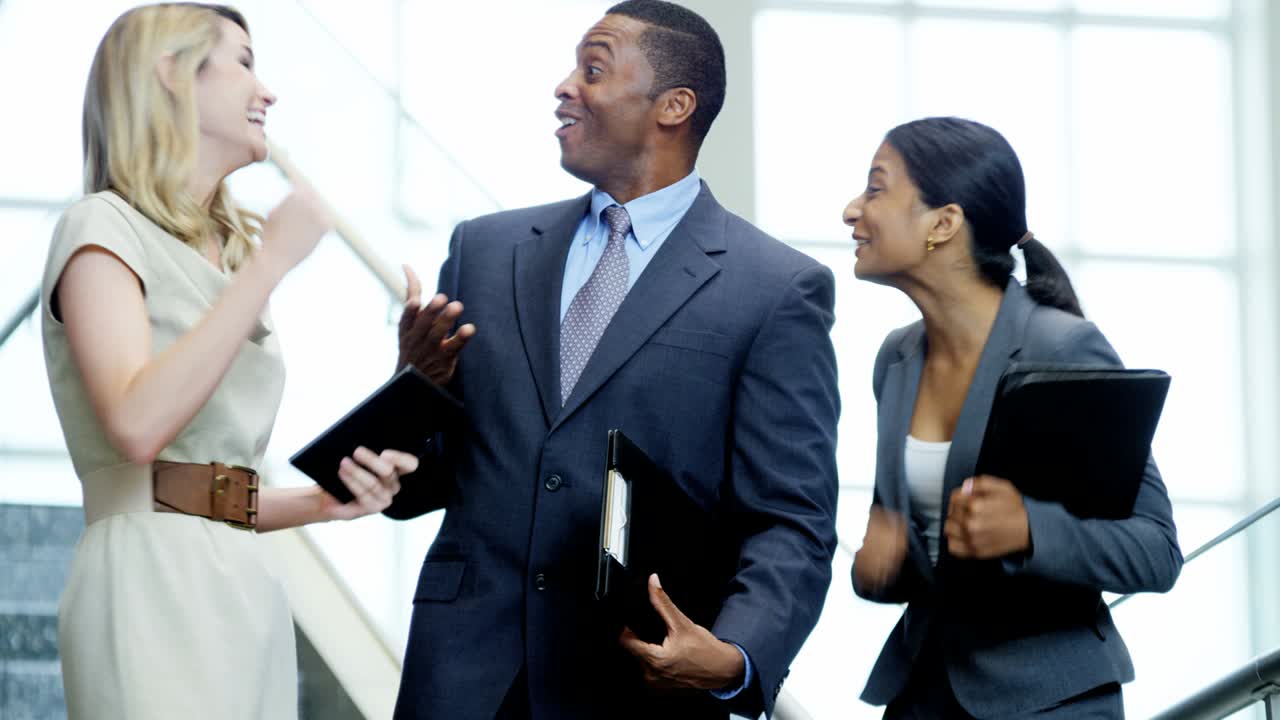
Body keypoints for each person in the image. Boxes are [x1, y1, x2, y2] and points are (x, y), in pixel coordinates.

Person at [389, 1, 840, 718]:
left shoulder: (775, 289)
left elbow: (790, 519)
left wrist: (735, 655)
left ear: (674, 106)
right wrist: (417, 386)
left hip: (636, 685)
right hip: (464, 677)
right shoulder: (484, 251)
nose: (566, 86)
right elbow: (415, 485)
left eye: (592, 68)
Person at [41, 5, 418, 718]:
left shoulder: (227, 256)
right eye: (244, 61)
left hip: (242, 582)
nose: (267, 90)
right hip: (148, 583)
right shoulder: (101, 227)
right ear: (171, 72)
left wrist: (323, 504)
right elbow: (136, 427)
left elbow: (204, 489)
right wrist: (272, 265)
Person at [843, 116, 1183, 718]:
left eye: (876, 188)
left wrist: (1029, 529)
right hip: (923, 691)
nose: (852, 210)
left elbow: (1156, 550)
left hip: (1050, 700)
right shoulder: (895, 358)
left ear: (943, 224)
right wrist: (884, 568)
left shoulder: (1064, 349)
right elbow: (930, 554)